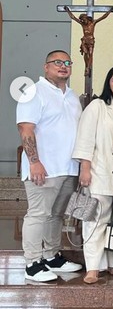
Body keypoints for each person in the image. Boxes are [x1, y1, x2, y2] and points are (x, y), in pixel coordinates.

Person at [16, 50, 83, 282]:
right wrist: (34, 162)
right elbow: (25, 128)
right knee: (38, 214)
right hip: (43, 168)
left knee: (56, 215)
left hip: (68, 167)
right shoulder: (33, 91)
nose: (63, 66)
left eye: (67, 63)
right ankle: (32, 263)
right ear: (46, 67)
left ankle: (51, 256)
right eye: (57, 63)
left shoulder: (72, 96)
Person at [73, 66, 113, 284]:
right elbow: (85, 139)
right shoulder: (97, 106)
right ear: (108, 83)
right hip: (99, 171)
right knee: (96, 219)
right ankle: (93, 267)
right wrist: (84, 168)